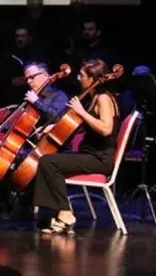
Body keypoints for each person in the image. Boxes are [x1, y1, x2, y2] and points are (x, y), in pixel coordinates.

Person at [32, 59, 120, 234]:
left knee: (49, 162)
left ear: (92, 79)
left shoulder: (103, 98)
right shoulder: (93, 98)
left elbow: (106, 129)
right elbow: (80, 126)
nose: (78, 78)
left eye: (82, 75)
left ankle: (64, 212)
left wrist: (80, 111)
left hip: (99, 158)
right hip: (89, 154)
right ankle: (49, 219)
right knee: (46, 160)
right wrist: (53, 127)